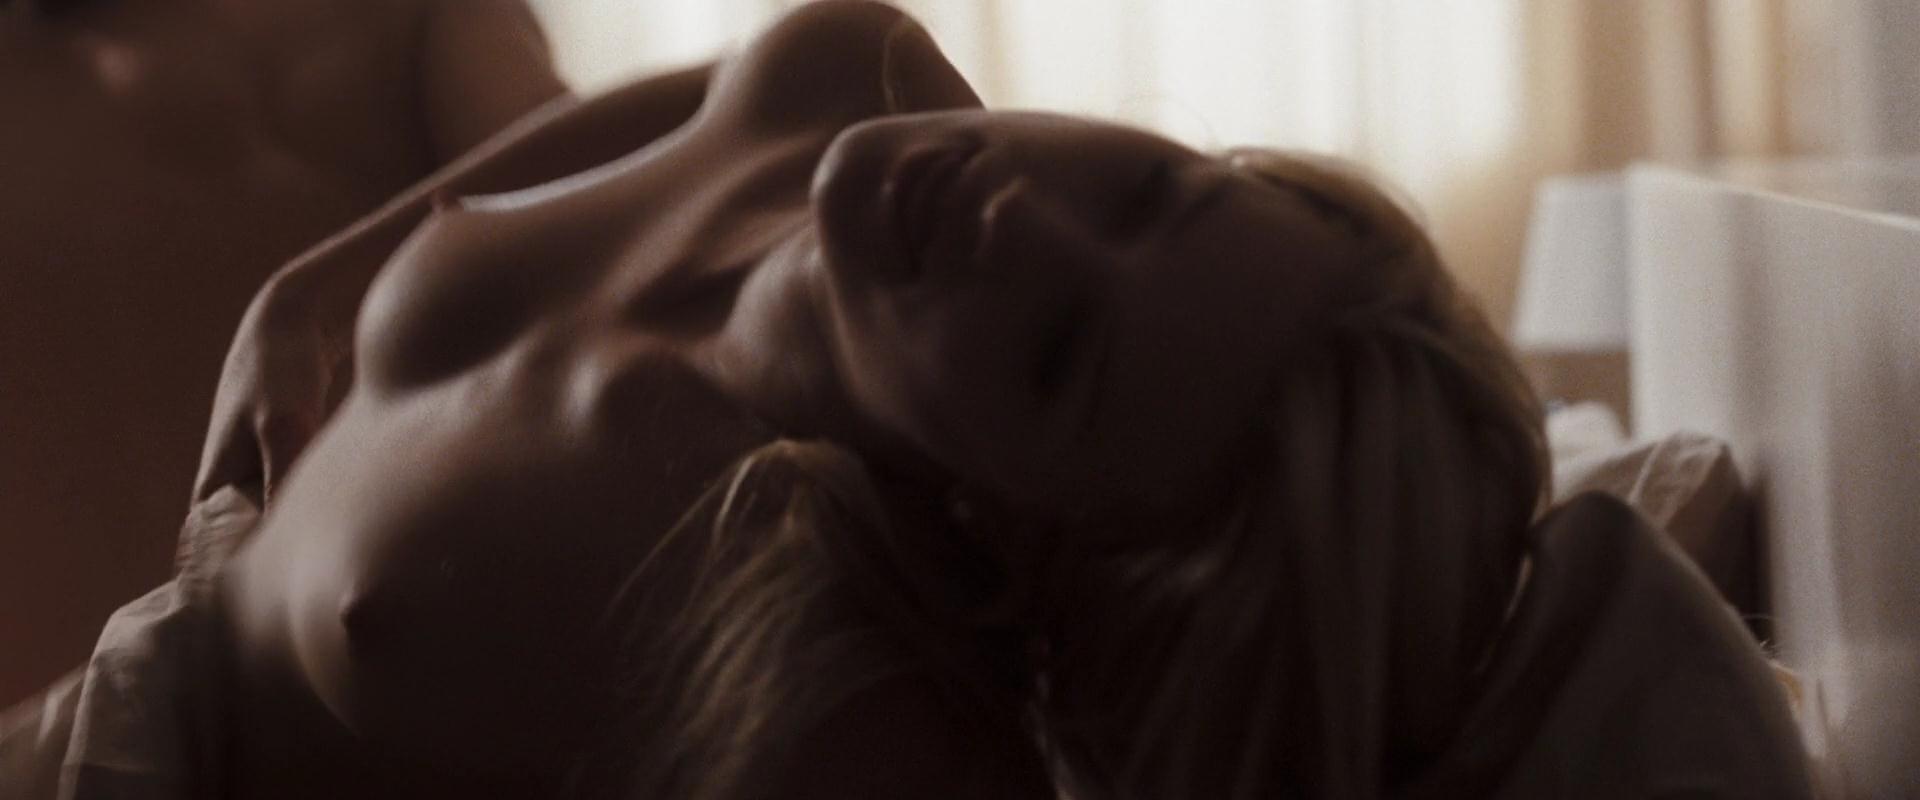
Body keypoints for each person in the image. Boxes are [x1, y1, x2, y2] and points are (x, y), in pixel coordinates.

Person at [5, 2, 1813, 797]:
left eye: (1054, 355)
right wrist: (303, 293)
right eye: (1154, 190)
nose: (1024, 216)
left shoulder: (782, 672)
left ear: (995, 530)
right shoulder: (842, 70)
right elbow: (473, 195)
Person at [0, 0, 569, 704]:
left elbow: (612, 209)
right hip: (79, 721)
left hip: (381, 674)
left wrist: (313, 295)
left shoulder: (401, 23)